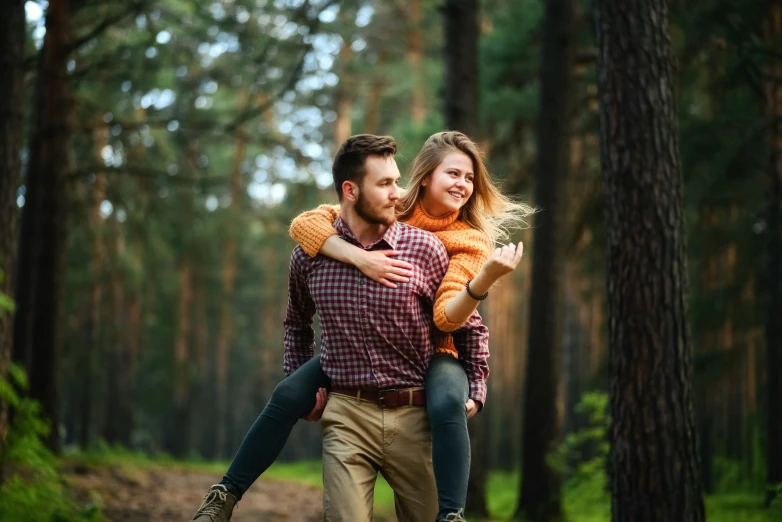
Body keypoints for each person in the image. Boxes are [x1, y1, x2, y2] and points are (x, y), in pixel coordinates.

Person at [188, 132, 532, 522]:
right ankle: (225, 494)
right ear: (424, 179)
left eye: (469, 178)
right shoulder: (390, 207)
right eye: (453, 173)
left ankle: (452, 514)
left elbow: (453, 320)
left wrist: (478, 371)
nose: (463, 185)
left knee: (447, 403)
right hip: (348, 377)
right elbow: (306, 225)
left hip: (433, 354)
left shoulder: (455, 243)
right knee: (287, 394)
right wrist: (357, 257)